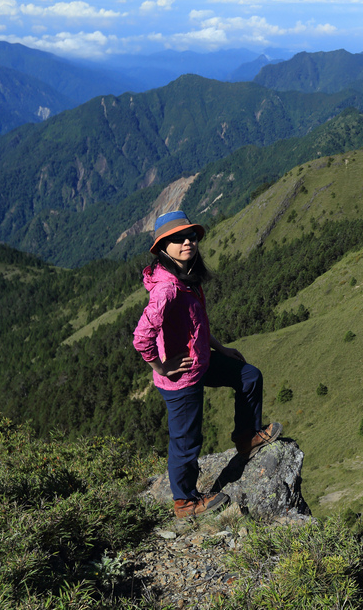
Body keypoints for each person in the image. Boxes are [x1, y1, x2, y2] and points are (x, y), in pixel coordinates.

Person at [133, 211, 282, 518]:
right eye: (177, 238)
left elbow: (196, 324)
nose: (187, 241)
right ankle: (185, 502)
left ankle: (246, 437)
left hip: (201, 361)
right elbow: (141, 337)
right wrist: (160, 366)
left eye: (191, 236)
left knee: (249, 376)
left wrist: (220, 348)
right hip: (181, 377)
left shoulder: (187, 278)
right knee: (186, 441)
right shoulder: (168, 289)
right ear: (163, 247)